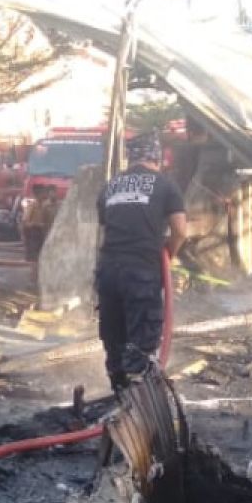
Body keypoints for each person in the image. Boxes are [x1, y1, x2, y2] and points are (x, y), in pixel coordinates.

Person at [95, 134, 188, 391]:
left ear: (131, 158)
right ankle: (136, 405)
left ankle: (118, 392)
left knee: (114, 338)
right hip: (141, 272)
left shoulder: (110, 186)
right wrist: (169, 253)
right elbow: (180, 231)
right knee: (141, 343)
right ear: (157, 158)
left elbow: (108, 227)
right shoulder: (165, 185)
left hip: (108, 272)